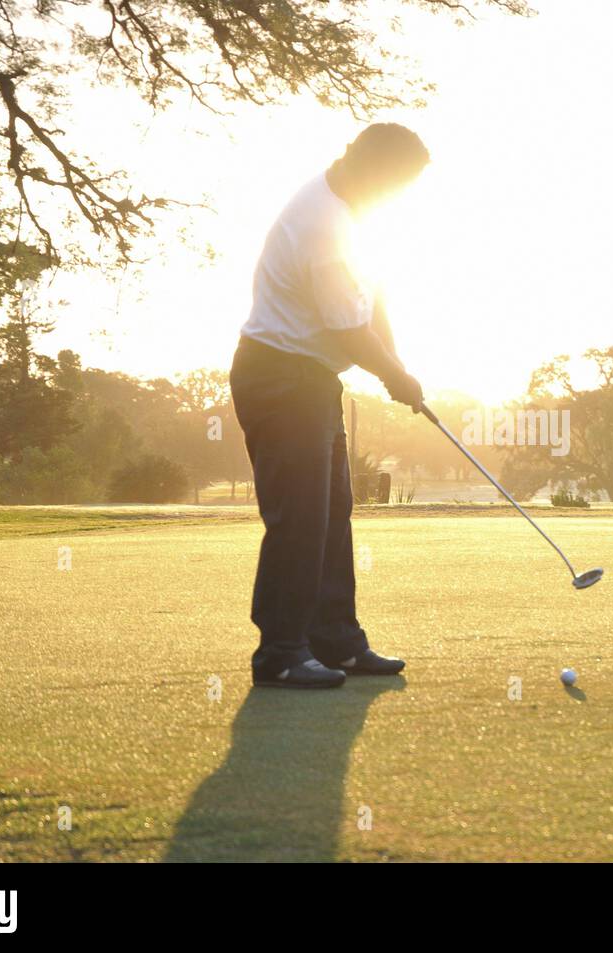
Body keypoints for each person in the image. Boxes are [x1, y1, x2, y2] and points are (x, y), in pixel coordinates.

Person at [230, 123, 428, 689]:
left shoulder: (353, 208)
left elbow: (375, 297)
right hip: (279, 376)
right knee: (300, 519)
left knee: (332, 514)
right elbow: (347, 330)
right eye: (393, 183)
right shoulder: (324, 224)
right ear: (362, 163)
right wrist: (394, 374)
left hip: (310, 380)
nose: (394, 195)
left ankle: (335, 640)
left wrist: (397, 365)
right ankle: (280, 652)